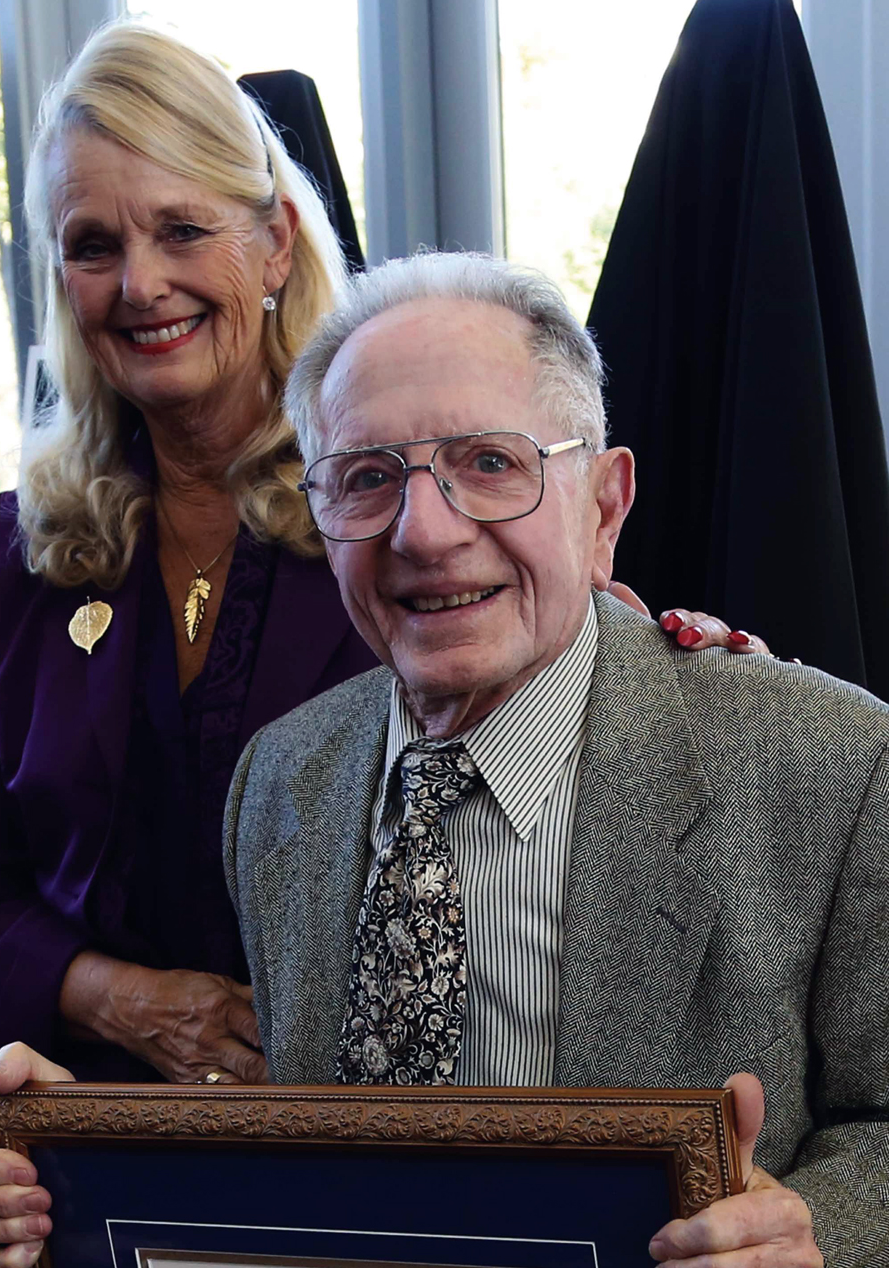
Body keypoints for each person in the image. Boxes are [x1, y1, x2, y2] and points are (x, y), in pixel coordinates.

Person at [224, 253, 887, 1263]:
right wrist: (55, 1175)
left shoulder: (835, 766)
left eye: (489, 463)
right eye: (368, 478)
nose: (427, 531)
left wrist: (816, 1230)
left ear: (603, 507)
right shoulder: (278, 778)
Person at [0, 19, 379, 1092]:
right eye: (93, 245)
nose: (139, 284)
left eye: (181, 229)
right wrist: (122, 999)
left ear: (273, 243)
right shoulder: (23, 546)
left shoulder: (393, 511)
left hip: (343, 1140)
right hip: (77, 1135)